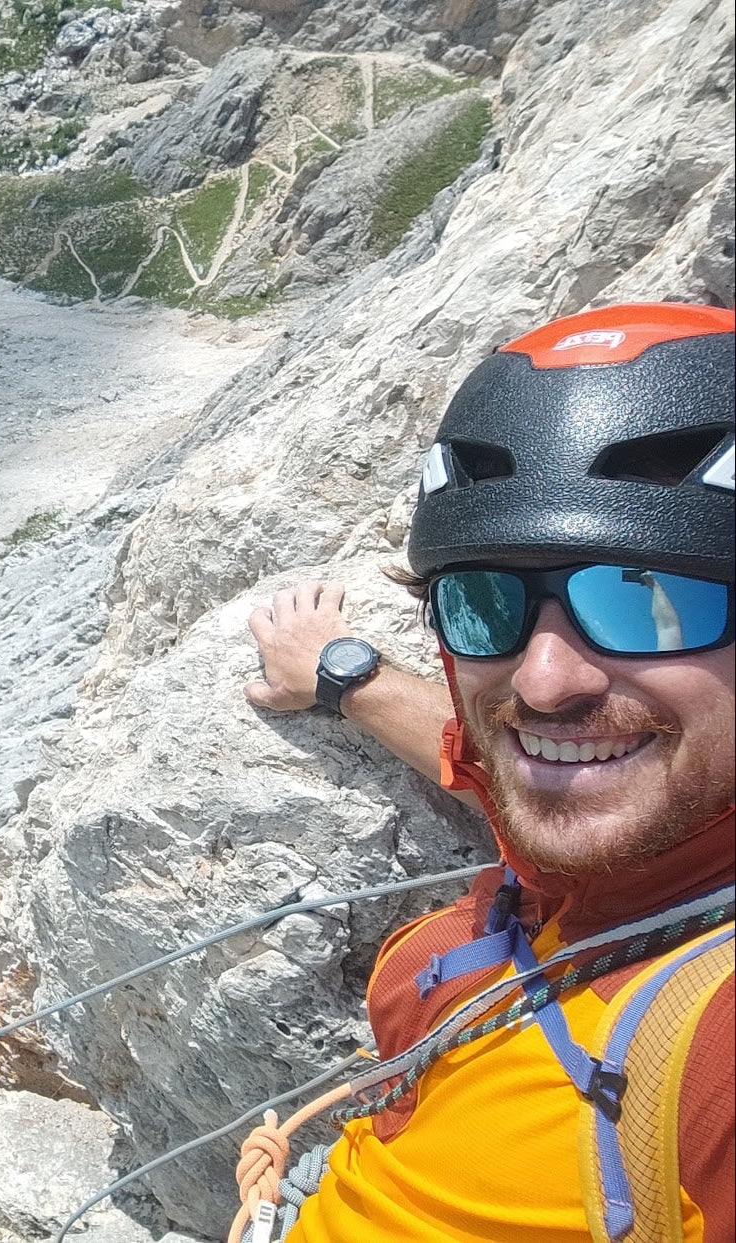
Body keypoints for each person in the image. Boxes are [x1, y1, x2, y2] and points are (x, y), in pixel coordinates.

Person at [239, 302, 733, 1241]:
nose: (545, 683)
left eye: (651, 600)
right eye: (482, 601)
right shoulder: (622, 822)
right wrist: (345, 675)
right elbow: (481, 751)